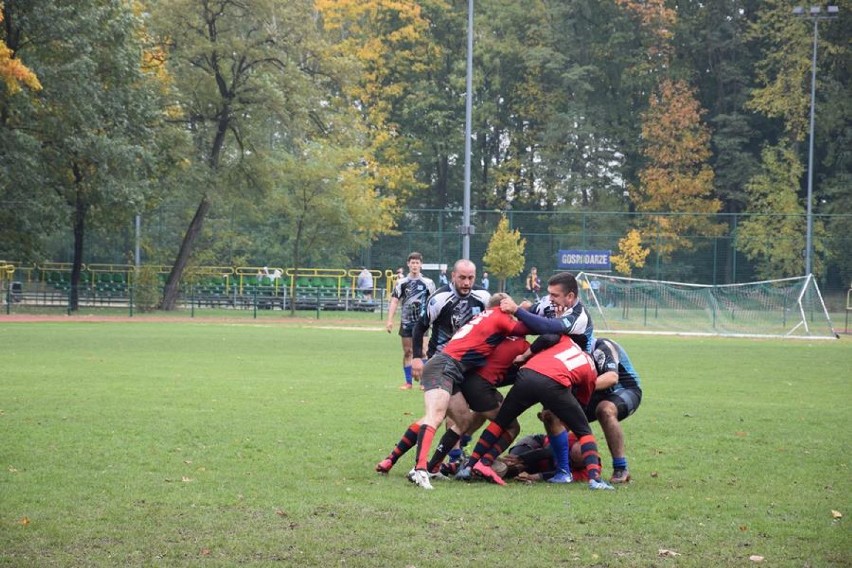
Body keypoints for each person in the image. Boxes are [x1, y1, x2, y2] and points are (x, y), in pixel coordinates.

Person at [402, 293, 528, 489]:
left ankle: (432, 467)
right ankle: (420, 469)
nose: (511, 316)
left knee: (463, 421)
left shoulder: (482, 318)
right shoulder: (498, 318)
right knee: (435, 416)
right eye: (510, 312)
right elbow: (525, 328)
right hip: (444, 366)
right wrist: (528, 312)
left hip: (452, 370)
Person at [459, 334, 615, 490]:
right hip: (553, 383)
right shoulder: (590, 365)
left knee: (501, 421)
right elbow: (581, 402)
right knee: (584, 431)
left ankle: (473, 465)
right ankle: (595, 479)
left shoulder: (564, 340)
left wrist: (525, 355)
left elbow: (545, 339)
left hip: (527, 374)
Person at [585, 337, 642, 483]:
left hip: (625, 388)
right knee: (555, 415)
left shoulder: (601, 346)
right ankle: (561, 468)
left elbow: (611, 378)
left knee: (605, 410)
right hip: (596, 392)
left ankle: (621, 468)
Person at [501, 271, 595, 353]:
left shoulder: (580, 316)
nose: (549, 298)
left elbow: (548, 327)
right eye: (549, 293)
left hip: (579, 361)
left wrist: (516, 310)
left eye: (554, 295)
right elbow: (530, 313)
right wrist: (524, 309)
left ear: (570, 296)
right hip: (557, 354)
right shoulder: (550, 302)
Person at [386, 253, 436, 390]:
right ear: (408, 264)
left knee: (424, 352)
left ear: (421, 264)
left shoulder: (428, 283)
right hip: (406, 322)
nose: (414, 265)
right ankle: (408, 382)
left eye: (417, 263)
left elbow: (434, 302)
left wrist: (434, 320)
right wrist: (390, 320)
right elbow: (395, 301)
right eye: (412, 263)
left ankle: (424, 382)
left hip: (423, 323)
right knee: (408, 351)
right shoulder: (401, 283)